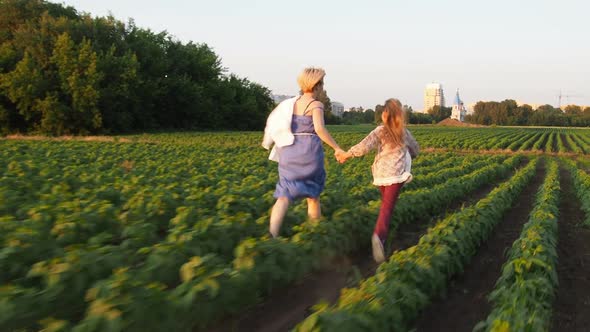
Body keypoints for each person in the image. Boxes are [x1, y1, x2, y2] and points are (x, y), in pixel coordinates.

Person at [262, 67, 344, 238]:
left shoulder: (290, 104)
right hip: (308, 152)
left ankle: (272, 234)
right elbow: (320, 129)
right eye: (322, 83)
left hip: (289, 151)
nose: (322, 87)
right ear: (317, 85)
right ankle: (315, 233)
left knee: (284, 194)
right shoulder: (316, 105)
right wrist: (337, 148)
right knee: (313, 195)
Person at [336, 98, 419, 263]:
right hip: (396, 175)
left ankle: (383, 234)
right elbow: (415, 150)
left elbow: (364, 146)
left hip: (380, 175)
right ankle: (379, 236)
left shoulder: (380, 131)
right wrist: (409, 152)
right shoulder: (404, 132)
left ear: (386, 114)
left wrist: (346, 154)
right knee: (387, 208)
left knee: (385, 205)